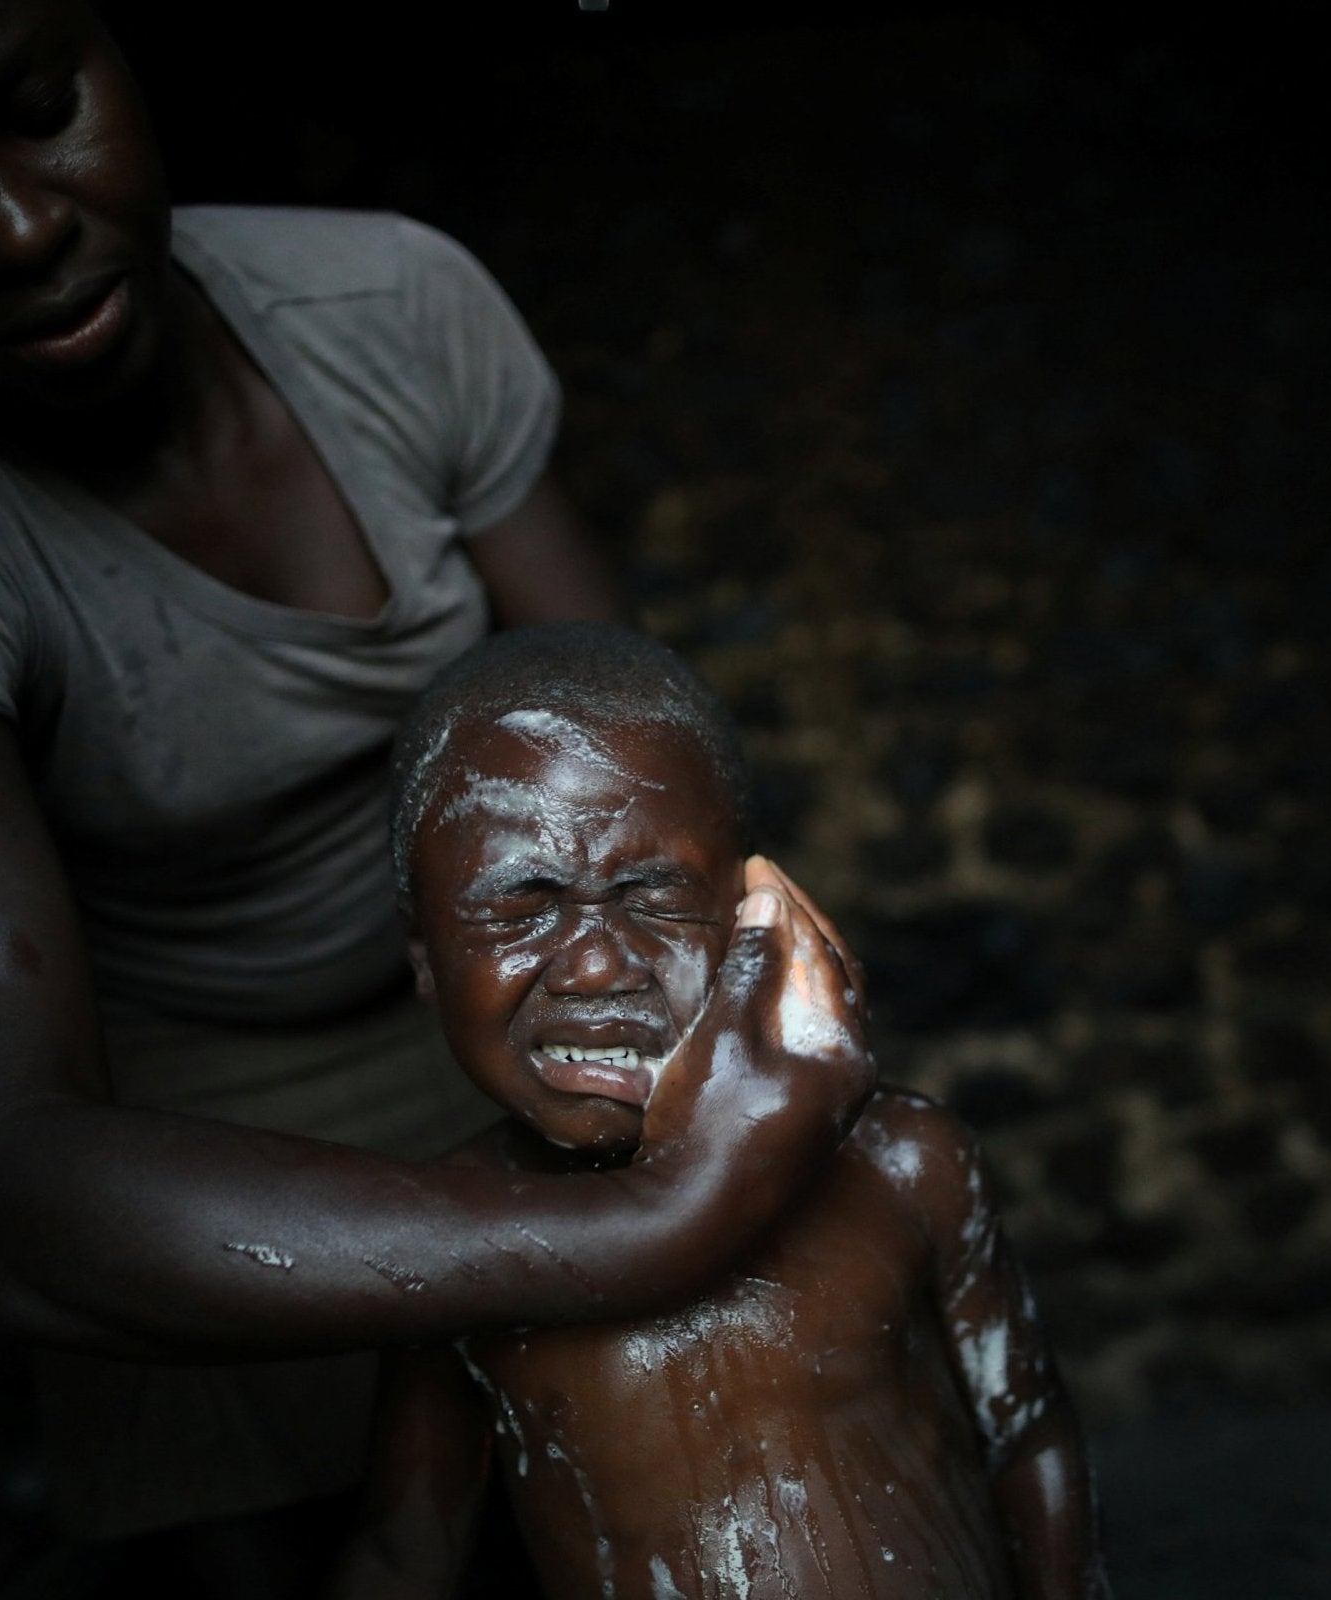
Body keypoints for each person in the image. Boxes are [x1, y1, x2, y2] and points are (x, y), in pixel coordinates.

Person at [0, 0, 872, 1589]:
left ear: (128, 52)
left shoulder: (393, 307)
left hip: (507, 1016)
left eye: (39, 104)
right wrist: (637, 1233)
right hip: (174, 1124)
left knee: (670, 1484)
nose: (11, 228)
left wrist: (705, 1085)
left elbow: (636, 776)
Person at [332, 623, 1108, 1600]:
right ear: (422, 960)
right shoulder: (454, 1247)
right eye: (522, 909)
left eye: (653, 898)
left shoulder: (903, 1160)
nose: (599, 962)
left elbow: (1028, 1433)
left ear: (754, 913)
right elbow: (407, 1554)